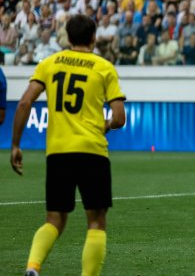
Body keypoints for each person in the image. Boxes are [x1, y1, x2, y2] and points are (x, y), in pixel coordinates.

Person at [10, 15, 127, 276]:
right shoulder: (104, 67)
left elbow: (24, 103)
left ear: (68, 37)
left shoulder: (49, 64)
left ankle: (32, 267)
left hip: (58, 153)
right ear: (94, 38)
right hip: (93, 151)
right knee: (96, 222)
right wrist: (106, 125)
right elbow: (119, 117)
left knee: (54, 219)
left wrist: (15, 144)